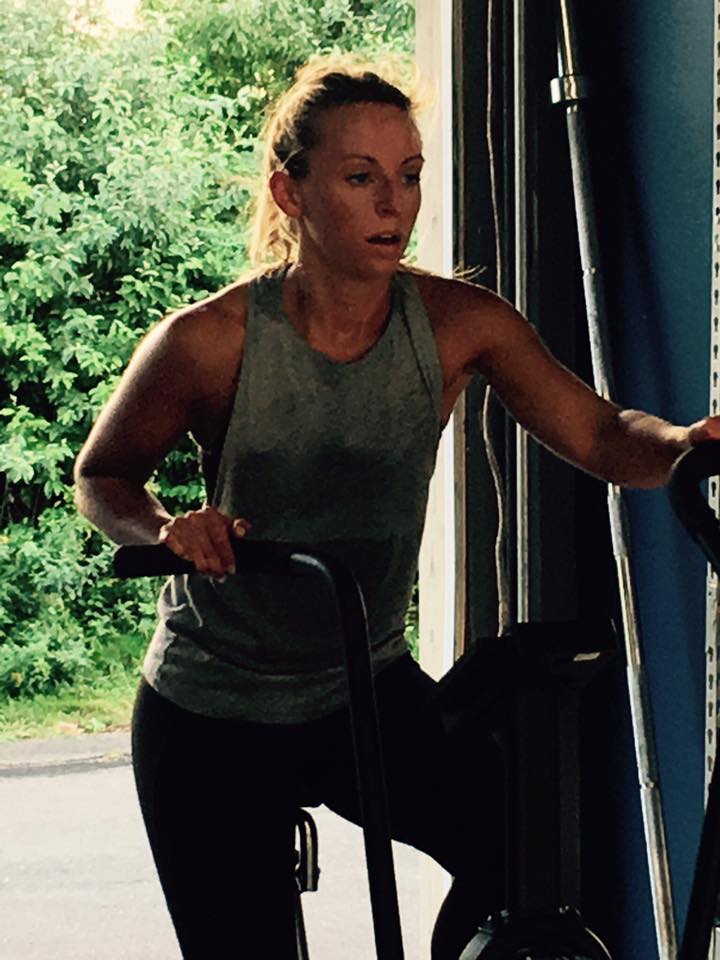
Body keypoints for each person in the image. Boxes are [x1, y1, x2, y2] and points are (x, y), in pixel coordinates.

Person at [74, 55, 720, 959]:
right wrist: (168, 530)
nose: (396, 204)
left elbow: (606, 435)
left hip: (360, 686)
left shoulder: (462, 324)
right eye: (361, 178)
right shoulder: (208, 340)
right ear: (290, 193)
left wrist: (685, 446)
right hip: (210, 711)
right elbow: (103, 476)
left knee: (518, 857)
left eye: (409, 175)